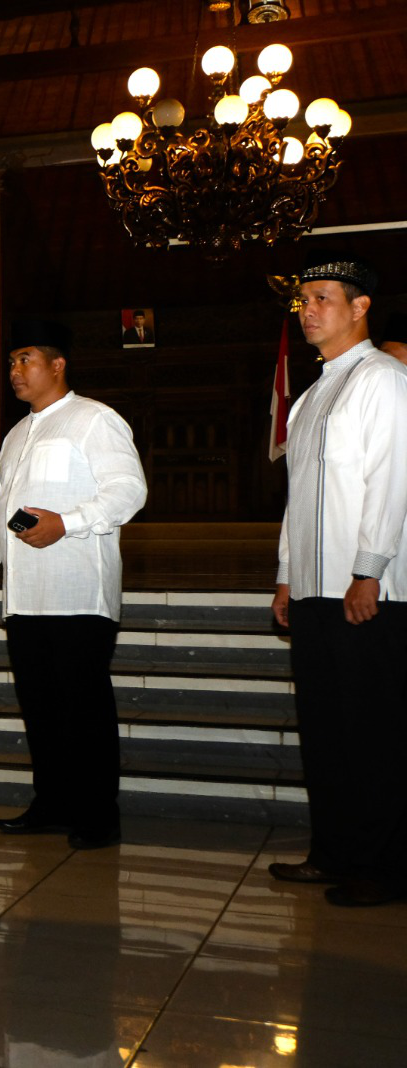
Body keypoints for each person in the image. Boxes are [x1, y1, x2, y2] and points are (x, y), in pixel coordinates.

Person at [0, 318, 147, 850]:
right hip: (24, 597)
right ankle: (51, 803)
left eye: (25, 359)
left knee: (83, 708)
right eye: (11, 361)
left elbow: (129, 491)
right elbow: (4, 509)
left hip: (77, 593)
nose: (15, 370)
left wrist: (66, 523)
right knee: (41, 707)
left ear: (57, 364)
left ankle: (97, 815)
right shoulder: (17, 434)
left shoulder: (94, 420)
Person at [270, 257, 407, 908]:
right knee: (324, 728)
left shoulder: (384, 379)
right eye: (302, 300)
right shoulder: (311, 395)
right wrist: (285, 578)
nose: (308, 310)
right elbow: (299, 499)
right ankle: (333, 853)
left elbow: (393, 481)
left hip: (365, 590)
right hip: (315, 588)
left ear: (359, 309)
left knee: (371, 732)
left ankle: (381, 867)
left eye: (323, 298)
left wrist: (368, 571)